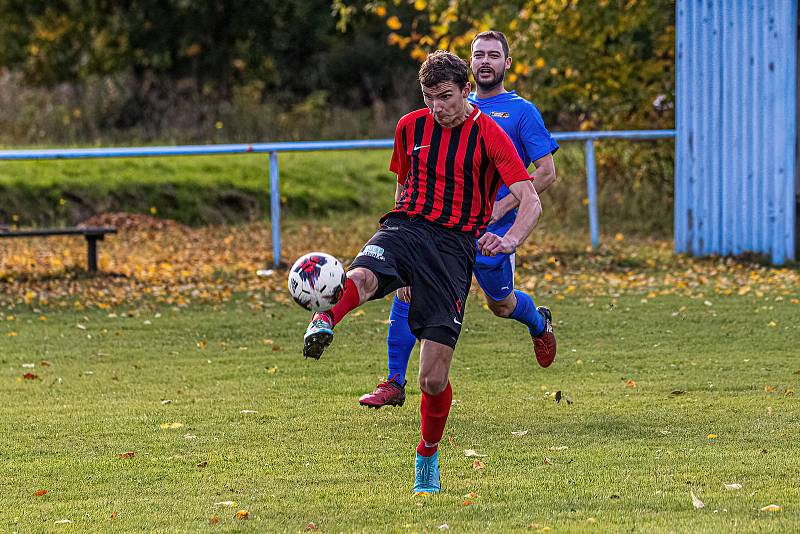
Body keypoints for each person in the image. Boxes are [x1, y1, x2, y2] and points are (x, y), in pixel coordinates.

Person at [302, 50, 548, 495]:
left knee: (432, 378)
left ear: (466, 91)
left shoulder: (490, 134)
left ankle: (428, 453)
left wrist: (510, 240)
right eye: (429, 97)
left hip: (454, 249)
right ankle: (324, 318)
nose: (438, 107)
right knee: (361, 275)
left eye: (447, 97)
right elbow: (402, 184)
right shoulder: (409, 127)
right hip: (404, 227)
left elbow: (531, 198)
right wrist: (401, 267)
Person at [359, 31, 559, 409]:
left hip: (491, 235)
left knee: (500, 304)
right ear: (469, 67)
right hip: (438, 227)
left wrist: (500, 210)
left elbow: (546, 173)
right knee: (408, 290)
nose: (486, 61)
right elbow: (408, 180)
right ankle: (394, 381)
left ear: (506, 63)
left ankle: (538, 322)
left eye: (494, 55)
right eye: (478, 54)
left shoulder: (521, 112)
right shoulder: (441, 110)